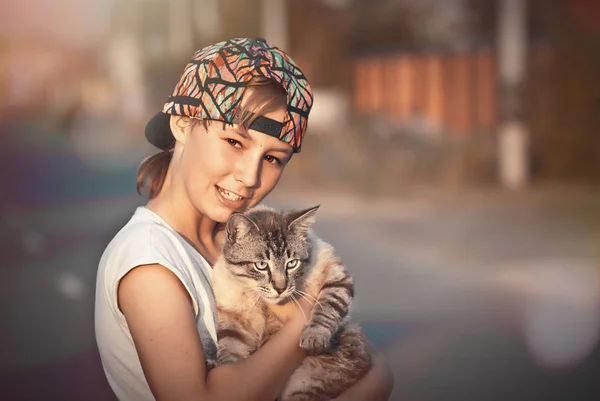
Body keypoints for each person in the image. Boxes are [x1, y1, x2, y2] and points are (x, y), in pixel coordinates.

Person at [94, 37, 393, 401]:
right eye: (235, 142)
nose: (250, 176)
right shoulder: (149, 261)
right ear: (183, 124)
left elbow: (373, 369)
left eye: (273, 159)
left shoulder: (251, 244)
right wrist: (305, 320)